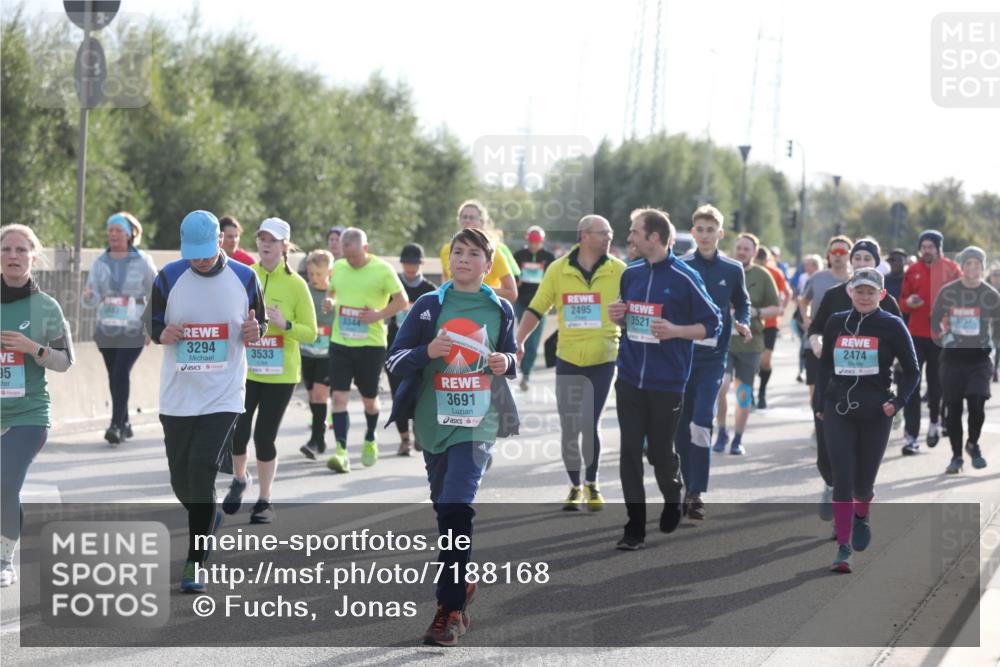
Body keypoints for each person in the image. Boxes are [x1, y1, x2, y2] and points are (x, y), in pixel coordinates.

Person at [385, 227, 518, 646]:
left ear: (489, 262)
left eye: (473, 253)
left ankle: (449, 609)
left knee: (458, 508)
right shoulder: (428, 306)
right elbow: (395, 359)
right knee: (446, 514)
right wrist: (428, 352)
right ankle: (461, 585)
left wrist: (505, 360)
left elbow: (513, 356)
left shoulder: (500, 310)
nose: (462, 259)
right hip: (433, 424)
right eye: (457, 252)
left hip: (478, 424)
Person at [145, 210, 267, 592]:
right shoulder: (168, 276)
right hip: (178, 393)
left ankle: (195, 562)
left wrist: (253, 331)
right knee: (181, 478)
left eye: (205, 251)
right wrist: (164, 333)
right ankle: (207, 513)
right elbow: (153, 327)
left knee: (201, 468)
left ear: (220, 242)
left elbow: (258, 326)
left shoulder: (246, 277)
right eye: (192, 252)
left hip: (224, 392)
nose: (199, 259)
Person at [609, 208, 721, 550]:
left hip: (667, 382)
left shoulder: (685, 277)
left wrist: (676, 331)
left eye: (634, 232)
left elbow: (712, 323)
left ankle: (673, 493)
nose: (629, 238)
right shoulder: (631, 274)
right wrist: (620, 317)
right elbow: (630, 322)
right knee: (629, 452)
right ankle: (635, 526)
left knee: (659, 454)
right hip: (629, 377)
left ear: (654, 237)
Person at [515, 215, 625, 511]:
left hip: (604, 357)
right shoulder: (558, 270)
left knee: (590, 422)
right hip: (568, 358)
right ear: (585, 236)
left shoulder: (621, 271)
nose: (609, 238)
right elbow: (536, 308)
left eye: (611, 233)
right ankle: (575, 485)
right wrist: (520, 340)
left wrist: (624, 317)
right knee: (569, 427)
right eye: (604, 233)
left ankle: (593, 483)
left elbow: (634, 313)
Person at [815, 268, 919, 572]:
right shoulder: (836, 323)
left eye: (870, 292)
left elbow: (912, 371)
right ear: (850, 291)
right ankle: (843, 548)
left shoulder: (892, 325)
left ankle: (862, 514)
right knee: (842, 478)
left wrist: (897, 402)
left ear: (881, 295)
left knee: (863, 484)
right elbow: (824, 367)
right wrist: (821, 401)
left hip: (876, 410)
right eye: (859, 290)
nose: (864, 296)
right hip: (839, 408)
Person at [223, 218, 316, 524]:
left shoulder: (297, 285)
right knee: (237, 430)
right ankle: (239, 479)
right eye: (262, 238)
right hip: (248, 369)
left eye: (273, 240)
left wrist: (284, 325)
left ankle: (264, 500)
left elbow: (311, 333)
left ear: (285, 246)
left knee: (264, 436)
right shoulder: (246, 275)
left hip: (281, 373)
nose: (265, 244)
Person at [1, 224, 75, 587]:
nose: (13, 256)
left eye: (20, 250)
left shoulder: (47, 307)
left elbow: (66, 361)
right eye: (6, 249)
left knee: (4, 484)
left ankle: (4, 558)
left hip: (28, 414)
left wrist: (34, 349)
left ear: (33, 255)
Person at [806, 239, 902, 518]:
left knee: (855, 455)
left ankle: (847, 505)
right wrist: (818, 344)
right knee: (826, 454)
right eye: (856, 258)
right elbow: (815, 328)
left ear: (875, 264)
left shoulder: (885, 301)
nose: (861, 263)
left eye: (867, 259)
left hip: (870, 391)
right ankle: (831, 483)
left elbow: (899, 339)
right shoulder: (836, 294)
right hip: (833, 384)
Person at [676, 206, 750, 520]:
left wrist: (743, 322)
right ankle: (681, 481)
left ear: (720, 234)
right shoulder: (680, 265)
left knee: (703, 419)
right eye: (700, 229)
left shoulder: (733, 269)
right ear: (694, 233)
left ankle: (696, 492)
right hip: (682, 356)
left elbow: (742, 302)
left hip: (713, 358)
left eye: (711, 230)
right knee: (681, 424)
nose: (705, 235)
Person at [322, 228, 407, 472]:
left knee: (370, 401)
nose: (351, 260)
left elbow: (401, 301)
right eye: (347, 256)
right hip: (341, 342)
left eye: (355, 256)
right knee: (339, 397)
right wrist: (330, 300)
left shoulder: (382, 270)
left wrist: (379, 315)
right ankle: (341, 452)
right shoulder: (338, 267)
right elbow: (333, 290)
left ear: (365, 249)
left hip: (371, 345)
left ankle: (370, 437)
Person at [82, 212, 157, 446]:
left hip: (133, 327)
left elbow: (156, 292)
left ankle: (115, 425)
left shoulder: (142, 260)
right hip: (107, 327)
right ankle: (125, 422)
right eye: (110, 230)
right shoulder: (99, 262)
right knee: (114, 374)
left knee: (120, 372)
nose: (113, 234)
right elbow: (90, 298)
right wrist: (89, 296)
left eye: (118, 230)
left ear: (129, 234)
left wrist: (150, 326)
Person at [931, 246, 1000, 473]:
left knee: (977, 405)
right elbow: (935, 317)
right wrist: (941, 334)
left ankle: (973, 444)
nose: (972, 268)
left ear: (982, 266)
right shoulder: (949, 291)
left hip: (979, 359)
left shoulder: (990, 294)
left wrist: (993, 343)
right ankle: (957, 456)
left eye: (976, 264)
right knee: (954, 408)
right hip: (952, 359)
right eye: (968, 263)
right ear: (962, 266)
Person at [713, 233, 780, 456]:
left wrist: (757, 312)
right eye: (739, 248)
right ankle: (721, 432)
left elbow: (776, 308)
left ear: (754, 252)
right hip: (724, 343)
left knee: (743, 394)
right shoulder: (725, 270)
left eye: (746, 249)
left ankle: (737, 439)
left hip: (750, 345)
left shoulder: (763, 275)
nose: (741, 252)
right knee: (721, 387)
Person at [899, 230, 962, 454]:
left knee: (937, 385)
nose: (927, 250)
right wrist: (909, 302)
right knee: (912, 385)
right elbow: (902, 302)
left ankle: (935, 422)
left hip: (941, 336)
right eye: (923, 246)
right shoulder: (912, 270)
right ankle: (911, 436)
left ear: (938, 247)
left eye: (931, 246)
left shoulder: (952, 269)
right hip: (915, 335)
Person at [386, 243, 437, 456]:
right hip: (396, 347)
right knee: (398, 394)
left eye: (414, 263)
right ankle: (404, 440)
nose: (410, 267)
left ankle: (419, 432)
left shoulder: (430, 290)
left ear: (422, 264)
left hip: (422, 350)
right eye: (406, 263)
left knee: (420, 394)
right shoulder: (394, 288)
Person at [800, 236, 854, 405]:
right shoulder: (817, 278)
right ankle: (819, 424)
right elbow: (803, 301)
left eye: (842, 251)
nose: (838, 255)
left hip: (846, 343)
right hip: (817, 341)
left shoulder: (856, 281)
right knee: (816, 390)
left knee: (841, 389)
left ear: (849, 255)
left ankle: (832, 426)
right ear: (828, 255)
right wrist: (807, 320)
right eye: (834, 251)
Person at [439, 200, 518, 303]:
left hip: (483, 311)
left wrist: (475, 290)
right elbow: (445, 280)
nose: (467, 221)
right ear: (458, 220)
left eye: (472, 218)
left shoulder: (494, 251)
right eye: (464, 217)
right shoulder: (447, 250)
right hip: (452, 310)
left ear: (482, 222)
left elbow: (511, 293)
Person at [299, 250, 336, 459]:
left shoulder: (335, 292)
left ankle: (316, 439)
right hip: (307, 352)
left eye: (318, 274)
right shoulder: (306, 290)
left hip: (328, 353)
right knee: (312, 396)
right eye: (311, 274)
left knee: (320, 395)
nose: (314, 278)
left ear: (329, 272)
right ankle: (319, 439)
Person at [512, 225, 556, 391]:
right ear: (527, 240)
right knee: (523, 336)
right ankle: (520, 366)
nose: (534, 246)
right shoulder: (519, 255)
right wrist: (517, 281)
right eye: (531, 242)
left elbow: (553, 278)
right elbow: (512, 275)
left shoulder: (548, 257)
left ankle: (526, 374)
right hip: (522, 302)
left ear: (542, 242)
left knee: (534, 340)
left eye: (537, 243)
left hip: (541, 304)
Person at [754, 245, 790, 409]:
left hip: (770, 323)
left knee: (765, 361)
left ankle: (762, 392)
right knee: (751, 361)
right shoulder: (747, 271)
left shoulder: (775, 273)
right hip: (752, 323)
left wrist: (781, 308)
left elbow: (786, 293)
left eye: (762, 261)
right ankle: (749, 392)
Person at [791, 254, 822, 383]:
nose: (804, 267)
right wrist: (805, 318)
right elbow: (801, 298)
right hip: (805, 317)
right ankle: (802, 370)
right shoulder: (803, 277)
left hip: (819, 317)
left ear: (814, 265)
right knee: (805, 344)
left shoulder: (821, 278)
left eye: (807, 264)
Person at [991, 262, 1000, 382]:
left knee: (998, 347)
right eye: (994, 274)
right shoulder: (985, 286)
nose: (997, 276)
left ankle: (994, 369)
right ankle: (993, 369)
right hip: (989, 322)